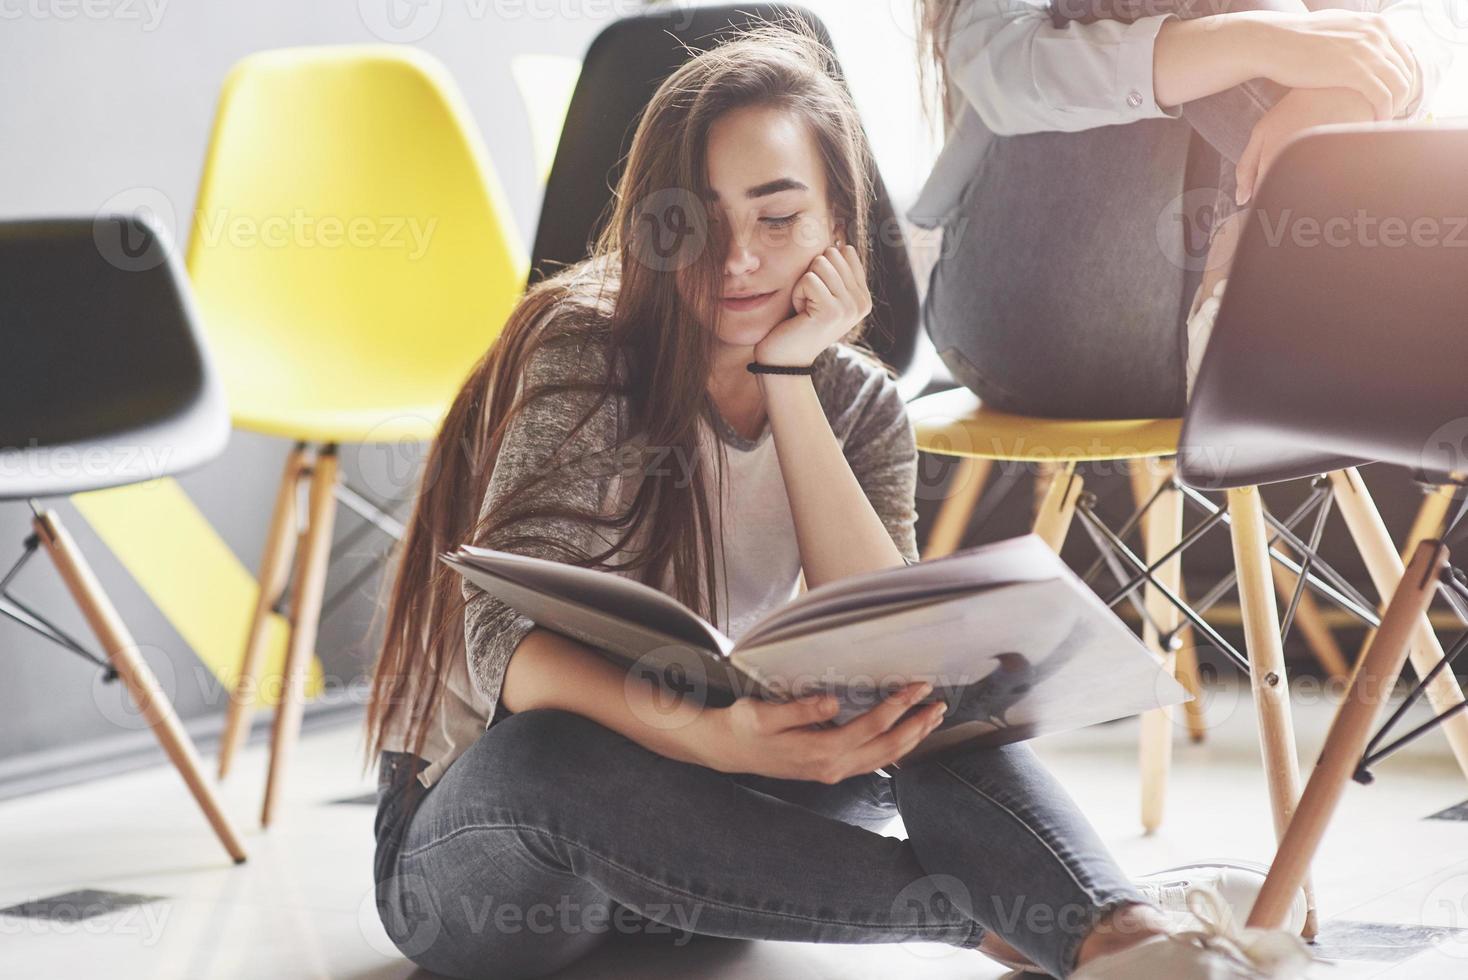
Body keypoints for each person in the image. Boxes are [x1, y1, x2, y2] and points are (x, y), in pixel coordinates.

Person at [363, 24, 1311, 980]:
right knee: (550, 754)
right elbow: (496, 645)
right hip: (505, 856)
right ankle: (1011, 926)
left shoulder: (857, 402)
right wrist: (713, 733)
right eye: (698, 221)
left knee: (931, 702)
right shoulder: (584, 352)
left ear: (838, 231)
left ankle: (1127, 943)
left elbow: (892, 653)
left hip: (722, 817)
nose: (736, 262)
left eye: (777, 219)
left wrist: (788, 380)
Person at [912, 0, 1453, 418]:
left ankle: (1259, 277)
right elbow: (998, 66)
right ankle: (1341, 256)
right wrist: (1259, 41)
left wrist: (1367, 77)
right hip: (1037, 322)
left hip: (1275, 325)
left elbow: (1439, 20)